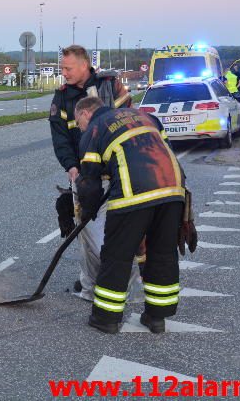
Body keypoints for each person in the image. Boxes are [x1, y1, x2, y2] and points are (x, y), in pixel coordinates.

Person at [74, 96, 190, 334]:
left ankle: (106, 318)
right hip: (173, 190)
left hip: (133, 194)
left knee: (117, 254)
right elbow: (164, 151)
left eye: (78, 122)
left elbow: (89, 182)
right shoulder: (144, 116)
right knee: (162, 253)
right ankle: (157, 318)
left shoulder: (94, 129)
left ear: (86, 113)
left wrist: (88, 211)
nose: (79, 128)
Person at [48, 45, 139, 302]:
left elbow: (130, 118)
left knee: (114, 232)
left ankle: (119, 281)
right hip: (84, 174)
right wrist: (71, 168)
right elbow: (60, 139)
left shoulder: (110, 86)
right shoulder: (62, 98)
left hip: (115, 171)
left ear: (84, 65)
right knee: (86, 234)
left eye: (67, 68)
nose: (63, 73)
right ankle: (90, 286)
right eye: (61, 68)